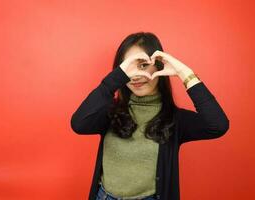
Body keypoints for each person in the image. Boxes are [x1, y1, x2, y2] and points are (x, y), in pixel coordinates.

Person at [70, 32, 229, 200]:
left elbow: (218, 125)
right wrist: (115, 79)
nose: (136, 75)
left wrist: (184, 73)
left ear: (159, 66)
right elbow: (78, 124)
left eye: (143, 65)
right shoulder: (110, 112)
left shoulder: (175, 119)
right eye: (128, 67)